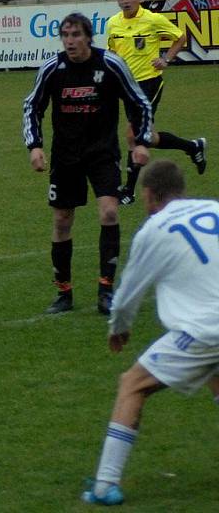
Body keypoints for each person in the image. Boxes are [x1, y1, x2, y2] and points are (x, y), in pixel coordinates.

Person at [81, 160, 219, 506]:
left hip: (204, 330)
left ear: (150, 194)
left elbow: (128, 292)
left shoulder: (154, 228)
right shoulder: (214, 208)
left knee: (132, 384)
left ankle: (104, 485)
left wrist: (118, 329)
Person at [22, 13, 153, 316]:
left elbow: (139, 102)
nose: (70, 41)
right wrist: (35, 146)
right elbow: (32, 106)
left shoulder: (110, 64)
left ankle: (106, 290)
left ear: (88, 37)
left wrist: (142, 140)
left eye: (76, 35)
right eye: (65, 35)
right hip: (66, 156)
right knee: (62, 221)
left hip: (102, 153)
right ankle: (64, 292)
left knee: (108, 212)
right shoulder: (53, 69)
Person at [106, 0, 207, 206]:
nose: (125, 1)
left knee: (134, 135)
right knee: (148, 137)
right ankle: (193, 147)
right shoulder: (113, 23)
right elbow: (113, 53)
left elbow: (180, 37)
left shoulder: (152, 19)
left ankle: (129, 191)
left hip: (149, 84)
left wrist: (166, 59)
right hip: (127, 86)